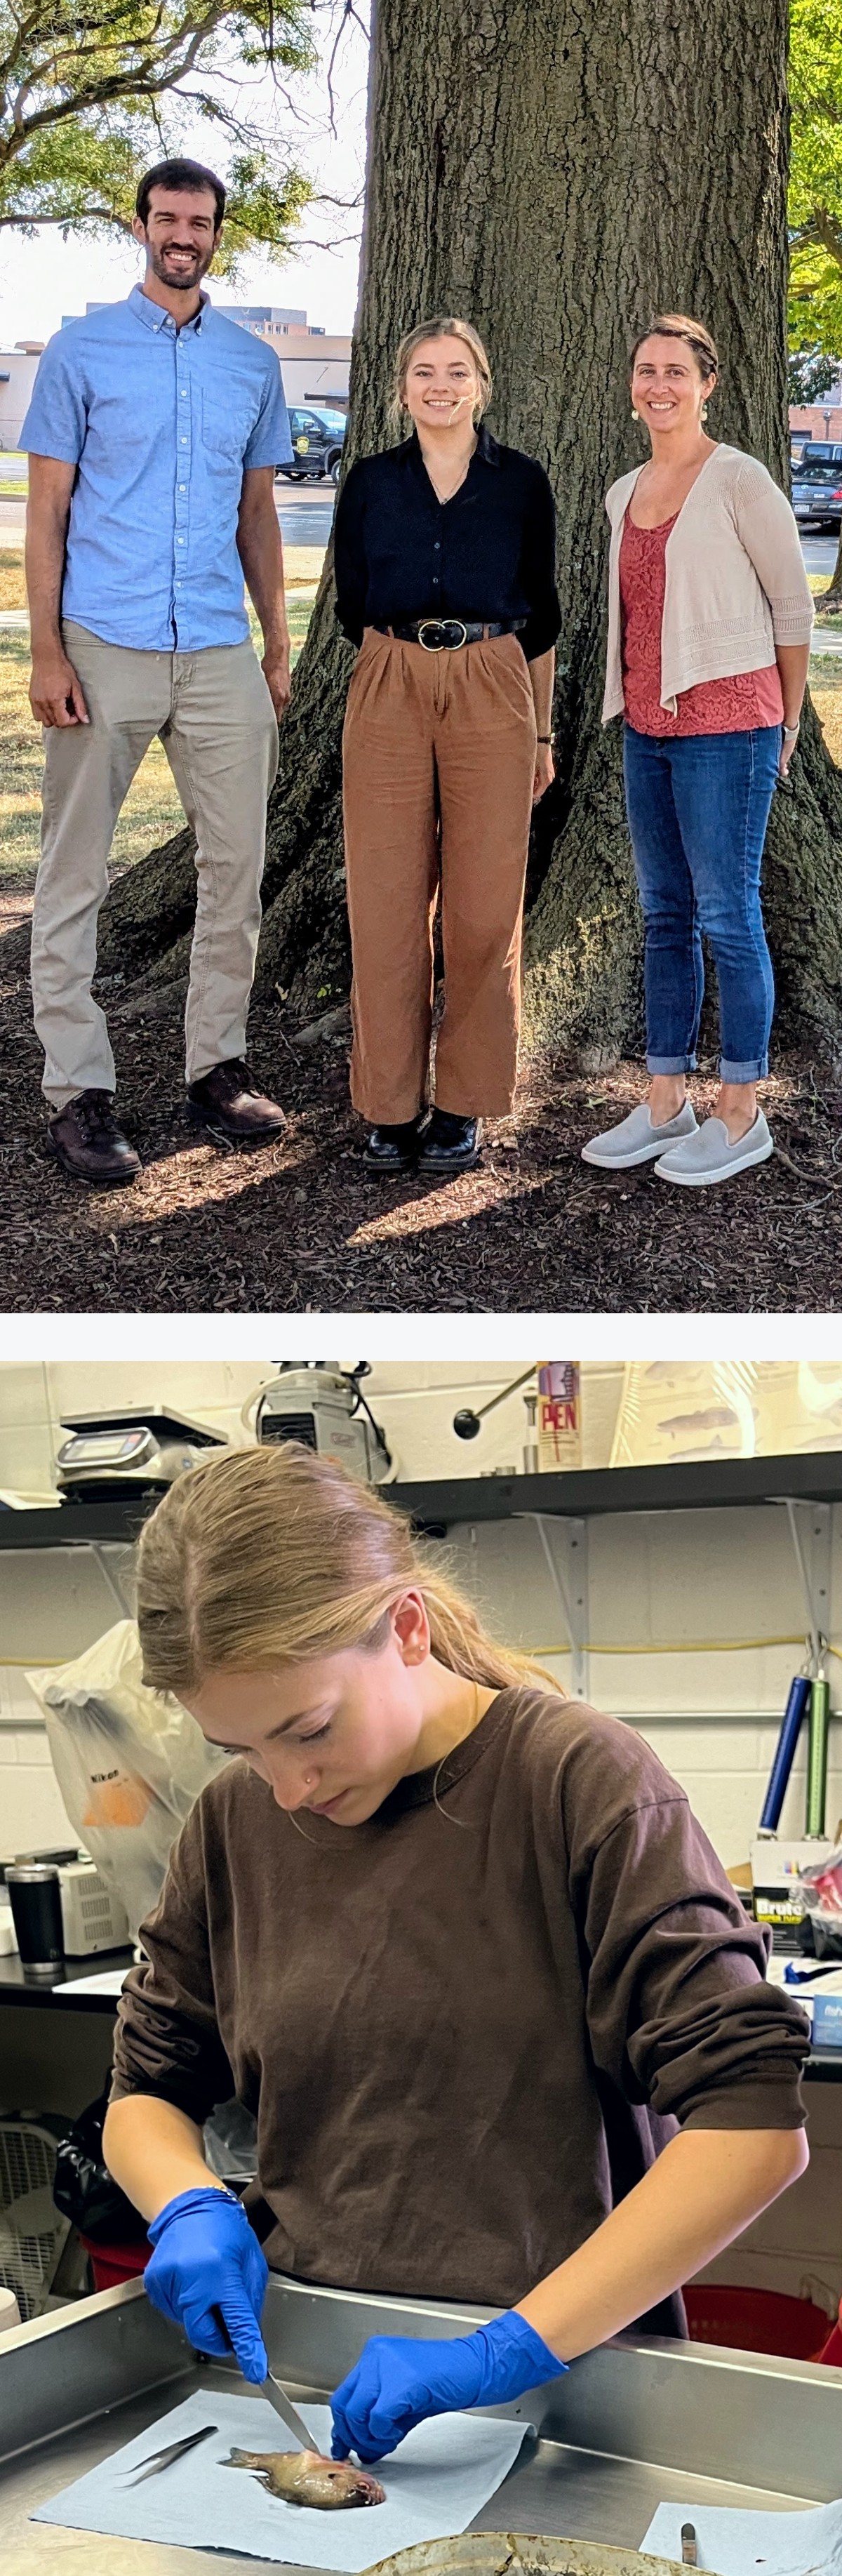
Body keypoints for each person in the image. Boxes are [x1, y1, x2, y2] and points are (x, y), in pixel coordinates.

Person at [102, 1444, 809, 2465]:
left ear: (406, 1627)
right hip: (315, 2382)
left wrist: (505, 2350)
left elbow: (750, 2126)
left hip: (567, 2398)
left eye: (310, 1728)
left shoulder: (579, 1781)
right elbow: (145, 2086)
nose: (287, 1787)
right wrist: (188, 2202)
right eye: (242, 1748)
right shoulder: (233, 1821)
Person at [21, 157, 293, 1187]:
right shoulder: (80, 351)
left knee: (238, 868)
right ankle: (78, 1090)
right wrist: (46, 648)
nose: (185, 234)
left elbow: (258, 514)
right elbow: (47, 512)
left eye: (202, 221)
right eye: (168, 218)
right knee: (74, 872)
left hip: (219, 648)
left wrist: (274, 642)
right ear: (140, 226)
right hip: (102, 642)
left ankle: (215, 1069)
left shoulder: (250, 363)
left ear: (219, 234)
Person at [583, 314, 815, 1190]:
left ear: (707, 384)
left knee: (728, 913)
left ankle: (742, 1109)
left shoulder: (739, 480)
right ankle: (665, 1098)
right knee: (665, 915)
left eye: (676, 371)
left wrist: (783, 723)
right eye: (646, 370)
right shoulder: (623, 490)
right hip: (649, 729)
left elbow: (792, 613)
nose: (659, 386)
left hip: (733, 727)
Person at [333, 318, 561, 1176]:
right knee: (387, 900)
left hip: (495, 681)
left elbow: (542, 617)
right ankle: (388, 1107)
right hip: (390, 677)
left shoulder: (521, 484)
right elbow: (354, 601)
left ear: (482, 384)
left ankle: (463, 1102)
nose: (441, 385)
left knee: (482, 904)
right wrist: (401, 668)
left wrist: (540, 730)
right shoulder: (370, 483)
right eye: (424, 372)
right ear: (402, 389)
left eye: (457, 371)